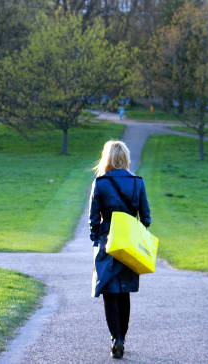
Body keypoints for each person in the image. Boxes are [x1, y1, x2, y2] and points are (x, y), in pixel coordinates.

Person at [89, 140, 151, 359]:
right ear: (125, 158)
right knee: (124, 291)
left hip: (107, 241)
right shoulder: (137, 183)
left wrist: (96, 240)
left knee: (108, 290)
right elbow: (146, 218)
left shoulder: (100, 183)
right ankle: (121, 337)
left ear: (107, 158)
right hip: (129, 243)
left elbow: (93, 220)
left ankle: (115, 337)